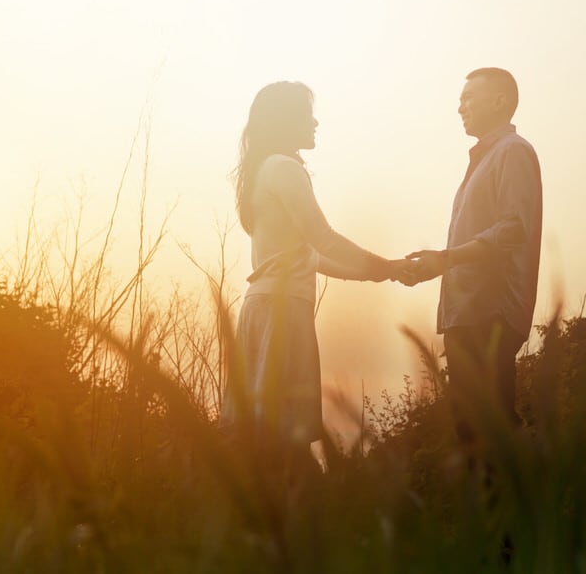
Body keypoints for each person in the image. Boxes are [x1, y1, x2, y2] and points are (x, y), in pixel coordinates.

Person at [220, 81, 409, 460]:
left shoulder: (264, 169)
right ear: (287, 120)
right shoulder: (285, 168)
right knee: (283, 434)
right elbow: (324, 239)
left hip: (265, 306)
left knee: (265, 432)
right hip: (282, 309)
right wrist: (386, 265)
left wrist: (383, 272)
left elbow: (314, 257)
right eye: (308, 115)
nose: (316, 123)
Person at [405, 67, 542, 452]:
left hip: (490, 313)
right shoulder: (484, 159)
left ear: (500, 101)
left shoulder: (513, 152)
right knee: (471, 431)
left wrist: (445, 259)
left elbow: (512, 230)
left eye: (468, 98)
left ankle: (530, 504)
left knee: (491, 430)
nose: (459, 107)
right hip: (467, 313)